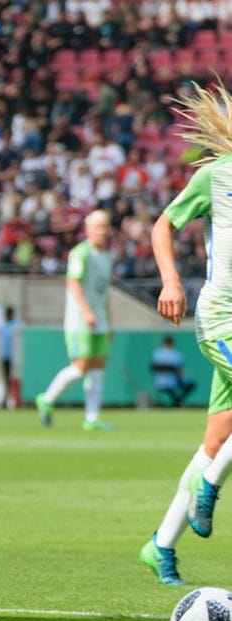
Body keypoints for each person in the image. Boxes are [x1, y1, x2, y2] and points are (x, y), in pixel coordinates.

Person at [140, 79, 232, 586]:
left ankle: (161, 544)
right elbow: (163, 225)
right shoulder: (217, 176)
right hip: (223, 315)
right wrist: (171, 280)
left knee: (217, 442)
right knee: (215, 461)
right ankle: (209, 491)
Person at [35, 209, 115, 431]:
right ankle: (47, 399)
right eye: (98, 227)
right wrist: (87, 311)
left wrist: (109, 321)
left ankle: (91, 418)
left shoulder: (107, 257)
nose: (102, 231)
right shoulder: (81, 253)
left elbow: (104, 293)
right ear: (88, 230)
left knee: (98, 366)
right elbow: (73, 283)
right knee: (81, 367)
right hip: (80, 320)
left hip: (100, 319)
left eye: (104, 227)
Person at [151, 335, 196, 407]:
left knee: (189, 385)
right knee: (189, 385)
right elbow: (179, 370)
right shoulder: (176, 354)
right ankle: (177, 401)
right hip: (170, 381)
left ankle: (177, 401)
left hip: (161, 381)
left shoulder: (157, 353)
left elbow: (154, 367)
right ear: (172, 343)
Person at [0, 305, 22, 409]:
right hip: (4, 357)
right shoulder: (2, 326)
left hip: (15, 357)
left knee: (15, 379)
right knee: (6, 379)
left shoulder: (18, 325)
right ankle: (6, 400)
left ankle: (16, 401)